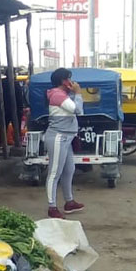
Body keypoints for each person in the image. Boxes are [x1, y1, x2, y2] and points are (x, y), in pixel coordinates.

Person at [45, 68, 85, 219]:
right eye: (69, 78)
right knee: (54, 172)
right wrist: (79, 93)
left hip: (66, 136)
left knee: (69, 170)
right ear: (63, 81)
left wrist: (74, 93)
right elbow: (78, 110)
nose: (71, 81)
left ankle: (69, 202)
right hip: (58, 136)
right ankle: (52, 207)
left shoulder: (63, 95)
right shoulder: (57, 94)